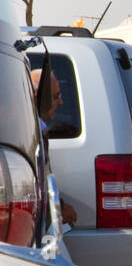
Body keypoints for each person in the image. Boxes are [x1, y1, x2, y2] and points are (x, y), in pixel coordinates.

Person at [29, 67, 77, 226]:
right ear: (39, 97)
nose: (61, 102)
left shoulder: (37, 128)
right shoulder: (30, 132)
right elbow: (36, 184)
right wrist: (59, 208)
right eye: (56, 97)